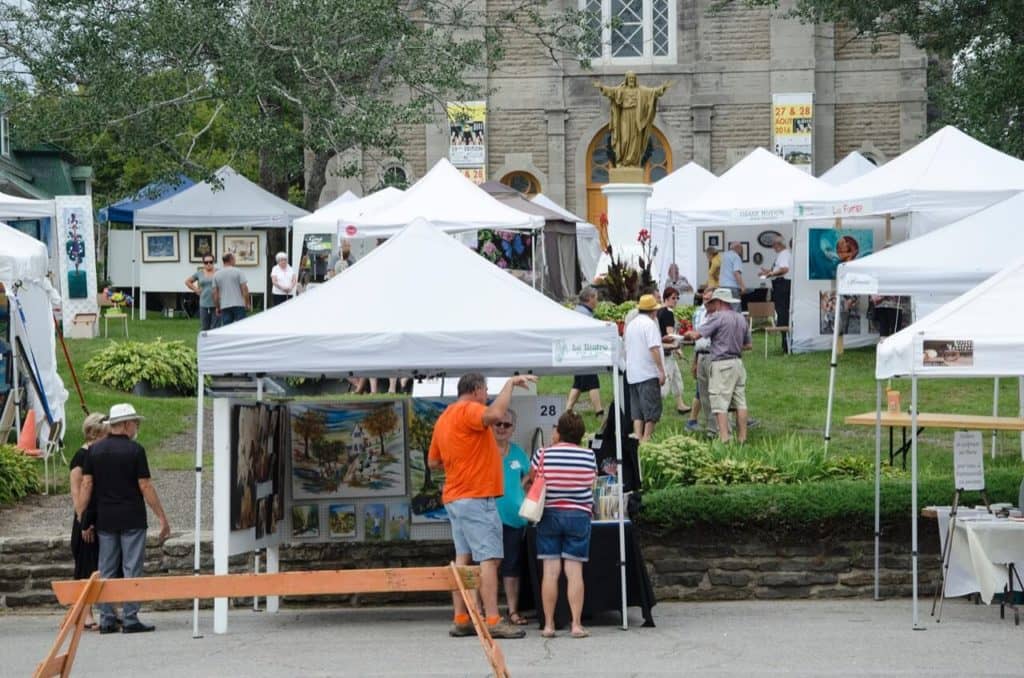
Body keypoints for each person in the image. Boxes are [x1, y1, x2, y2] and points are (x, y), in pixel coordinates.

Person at [428, 373, 536, 640]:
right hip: (476, 496)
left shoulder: (444, 418)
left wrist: (462, 461)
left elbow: (433, 462)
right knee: (489, 559)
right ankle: (493, 619)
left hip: (455, 497)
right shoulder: (469, 410)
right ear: (476, 390)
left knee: (463, 559)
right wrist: (510, 384)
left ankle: (462, 618)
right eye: (486, 389)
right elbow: (496, 412)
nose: (487, 394)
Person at [77, 403, 171, 634]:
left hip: (105, 519)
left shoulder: (95, 451)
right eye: (135, 423)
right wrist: (162, 517)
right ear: (127, 425)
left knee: (106, 568)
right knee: (132, 568)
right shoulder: (135, 451)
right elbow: (145, 485)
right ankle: (130, 618)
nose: (136, 427)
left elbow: (87, 484)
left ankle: (107, 618)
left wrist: (82, 517)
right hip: (132, 517)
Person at [532, 410, 598, 639]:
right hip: (579, 516)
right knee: (574, 571)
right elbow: (592, 482)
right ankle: (576, 625)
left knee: (550, 573)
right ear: (580, 434)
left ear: (558, 431)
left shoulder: (542, 454)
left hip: (549, 514)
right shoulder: (589, 456)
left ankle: (549, 625)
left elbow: (534, 479)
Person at [684, 289, 752, 444]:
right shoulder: (741, 318)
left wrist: (685, 334)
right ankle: (742, 438)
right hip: (738, 363)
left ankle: (724, 439)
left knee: (719, 403)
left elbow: (697, 335)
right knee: (740, 402)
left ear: (719, 302)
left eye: (714, 301)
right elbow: (748, 345)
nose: (712, 304)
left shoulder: (717, 317)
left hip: (721, 363)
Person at [68, 413, 109, 630]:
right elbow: (77, 491)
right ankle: (85, 613)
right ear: (95, 433)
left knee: (101, 565)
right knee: (85, 566)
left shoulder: (99, 455)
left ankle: (105, 610)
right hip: (84, 517)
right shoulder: (81, 457)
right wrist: (83, 519)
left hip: (98, 515)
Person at [492, 409, 530, 627]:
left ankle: (513, 611)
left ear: (513, 428)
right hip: (487, 518)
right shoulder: (484, 450)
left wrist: (521, 487)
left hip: (514, 519)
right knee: (486, 567)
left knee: (512, 567)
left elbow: (530, 474)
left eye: (506, 425)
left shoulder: (518, 453)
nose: (501, 428)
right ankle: (484, 611)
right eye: (498, 424)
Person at [623, 294, 666, 442]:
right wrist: (660, 370)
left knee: (637, 411)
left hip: (633, 373)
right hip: (647, 372)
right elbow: (654, 348)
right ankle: (646, 439)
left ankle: (638, 437)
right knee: (652, 410)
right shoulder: (650, 325)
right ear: (653, 311)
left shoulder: (631, 325)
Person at [565, 286, 604, 420]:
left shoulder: (578, 311)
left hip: (578, 352)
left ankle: (568, 410)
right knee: (593, 381)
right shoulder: (584, 314)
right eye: (596, 298)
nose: (597, 302)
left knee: (579, 383)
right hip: (584, 353)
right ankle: (599, 412)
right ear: (590, 298)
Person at [686, 288, 718, 435]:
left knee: (716, 392)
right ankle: (711, 425)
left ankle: (720, 425)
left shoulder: (719, 315)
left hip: (715, 355)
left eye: (709, 299)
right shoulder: (698, 314)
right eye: (704, 298)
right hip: (701, 354)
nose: (706, 301)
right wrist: (695, 360)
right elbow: (696, 340)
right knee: (703, 393)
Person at [657, 286, 689, 415]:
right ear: (666, 299)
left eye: (677, 298)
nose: (675, 300)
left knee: (677, 378)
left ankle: (680, 404)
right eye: (673, 298)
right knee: (666, 382)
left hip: (665, 350)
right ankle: (656, 406)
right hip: (666, 352)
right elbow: (670, 336)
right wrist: (678, 348)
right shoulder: (668, 313)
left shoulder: (659, 311)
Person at [760, 237, 792, 353]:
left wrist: (771, 273)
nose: (773, 247)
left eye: (773, 245)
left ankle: (786, 343)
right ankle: (786, 342)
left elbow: (784, 269)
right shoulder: (785, 254)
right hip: (783, 284)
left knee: (782, 313)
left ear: (778, 245)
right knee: (783, 313)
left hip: (782, 285)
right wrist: (769, 271)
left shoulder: (783, 254)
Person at [212, 252, 250, 326]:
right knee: (241, 327)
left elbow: (215, 293)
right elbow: (244, 289)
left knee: (227, 328)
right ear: (231, 259)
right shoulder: (239, 272)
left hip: (225, 305)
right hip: (239, 304)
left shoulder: (216, 274)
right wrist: (247, 303)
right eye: (234, 259)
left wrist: (217, 307)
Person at [185, 255, 219, 331]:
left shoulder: (218, 272)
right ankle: (205, 342)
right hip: (204, 303)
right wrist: (196, 289)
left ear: (213, 262)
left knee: (216, 327)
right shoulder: (199, 273)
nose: (208, 264)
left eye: (211, 262)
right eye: (206, 262)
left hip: (216, 304)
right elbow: (187, 282)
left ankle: (214, 342)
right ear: (203, 263)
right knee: (204, 327)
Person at [719, 242, 746, 311]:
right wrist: (742, 287)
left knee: (725, 309)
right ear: (738, 248)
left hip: (722, 287)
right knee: (735, 310)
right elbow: (736, 273)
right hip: (732, 287)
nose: (741, 252)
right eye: (741, 249)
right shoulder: (736, 257)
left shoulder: (724, 256)